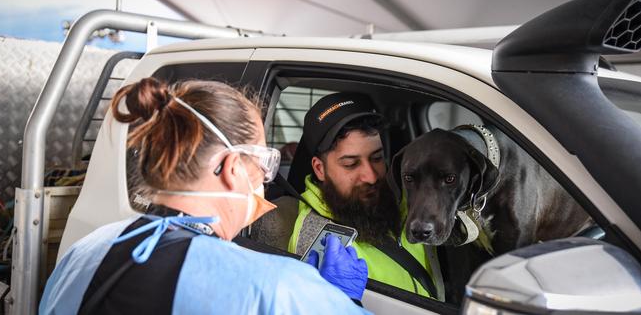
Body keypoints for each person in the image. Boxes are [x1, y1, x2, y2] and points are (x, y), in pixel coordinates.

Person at [39, 78, 370, 314]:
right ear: (231, 168)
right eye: (263, 164)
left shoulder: (86, 251)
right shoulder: (277, 287)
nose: (265, 180)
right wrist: (340, 300)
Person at [288, 92, 441, 299]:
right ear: (320, 169)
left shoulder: (399, 198)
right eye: (351, 164)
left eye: (377, 158)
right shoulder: (317, 240)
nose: (370, 176)